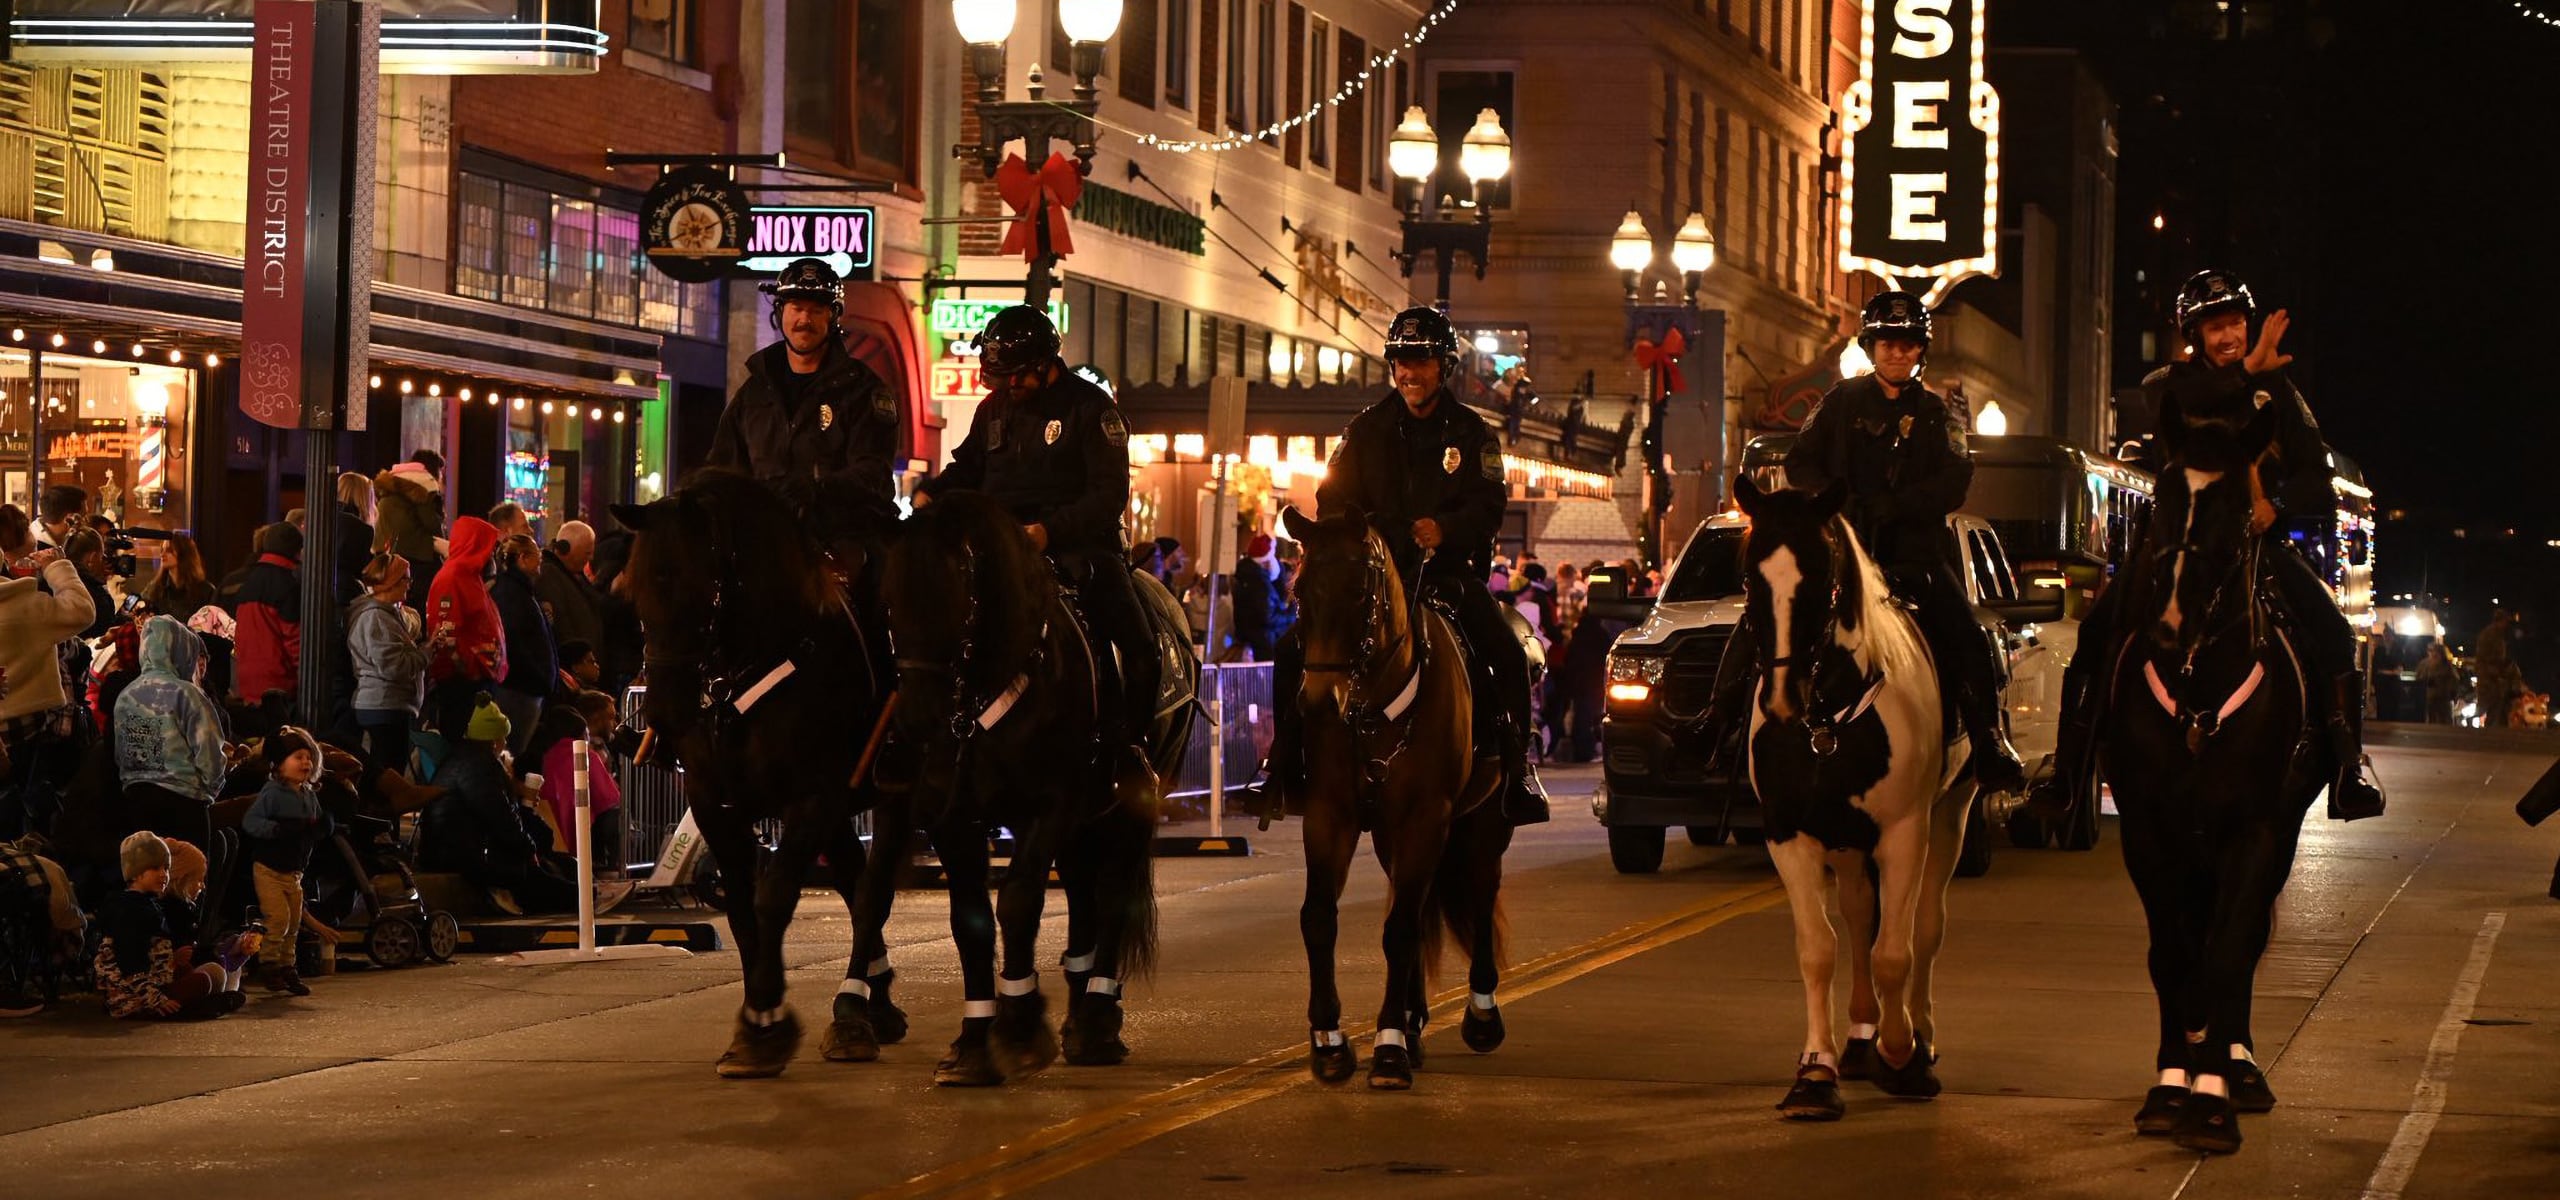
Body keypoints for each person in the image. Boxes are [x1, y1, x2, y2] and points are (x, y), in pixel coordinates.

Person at [2030, 269, 2382, 819]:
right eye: (2215, 327)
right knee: (2098, 633)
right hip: (2174, 551)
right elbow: (2175, 399)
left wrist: (2276, 505)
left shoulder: (2280, 392)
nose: (2229, 336)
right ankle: (2067, 770)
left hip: (2254, 549)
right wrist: (2248, 371)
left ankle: (2347, 767)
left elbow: (2316, 474)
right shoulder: (2172, 384)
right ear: (2195, 336)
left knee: (2334, 632)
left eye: (2236, 323)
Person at [1690, 291, 2027, 794]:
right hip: (1844, 547)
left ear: (1920, 352)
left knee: (1967, 630)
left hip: (1914, 552)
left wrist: (1900, 505)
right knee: (1762, 615)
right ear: (1872, 347)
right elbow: (1800, 461)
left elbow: (1956, 478)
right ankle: (1715, 721)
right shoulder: (1838, 403)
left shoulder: (1940, 414)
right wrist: (1833, 501)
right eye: (1888, 343)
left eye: (1908, 344)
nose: (1898, 353)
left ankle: (1988, 739)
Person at [1246, 306, 1551, 824]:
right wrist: (1364, 528)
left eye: (1421, 360)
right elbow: (1331, 494)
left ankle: (1518, 765)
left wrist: (1446, 529)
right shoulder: (1365, 429)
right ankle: (1283, 765)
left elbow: (1489, 503)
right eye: (1400, 361)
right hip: (1371, 574)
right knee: (1291, 646)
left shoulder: (1473, 432)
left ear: (1445, 366)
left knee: (1505, 648)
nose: (1408, 372)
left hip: (1446, 574)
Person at [914, 303, 1159, 787]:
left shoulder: (1093, 409)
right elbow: (969, 469)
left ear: (1046, 365)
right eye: (999, 377)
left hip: (1080, 550)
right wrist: (931, 494)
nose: (1007, 387)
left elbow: (1108, 496)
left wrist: (1049, 531)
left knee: (1141, 648)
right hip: (998, 550)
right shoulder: (993, 409)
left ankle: (1128, 747)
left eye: (1017, 377)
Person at [708, 257, 905, 549]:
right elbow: (722, 467)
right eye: (797, 308)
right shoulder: (754, 392)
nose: (805, 320)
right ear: (780, 312)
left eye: (816, 310)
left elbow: (872, 471)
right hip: (761, 538)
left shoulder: (864, 390)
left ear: (834, 316)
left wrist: (816, 490)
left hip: (842, 535)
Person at [421, 696, 577, 914]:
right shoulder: (481, 766)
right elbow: (500, 817)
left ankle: (584, 893)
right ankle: (586, 898)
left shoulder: (462, 758)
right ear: (495, 740)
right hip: (464, 853)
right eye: (504, 737)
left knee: (558, 863)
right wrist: (527, 848)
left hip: (451, 849)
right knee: (532, 875)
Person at [94, 831, 248, 1019]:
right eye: (155, 868)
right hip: (132, 996)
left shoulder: (148, 905)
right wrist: (156, 999)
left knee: (204, 974)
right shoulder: (128, 910)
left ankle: (200, 1003)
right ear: (135, 872)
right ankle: (187, 1009)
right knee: (203, 982)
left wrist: (174, 959)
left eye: (166, 868)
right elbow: (131, 964)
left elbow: (153, 955)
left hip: (153, 984)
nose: (164, 875)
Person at [112, 616, 229, 853]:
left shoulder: (126, 695)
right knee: (188, 874)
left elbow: (121, 752)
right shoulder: (187, 693)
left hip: (137, 798)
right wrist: (210, 789)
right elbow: (209, 750)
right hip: (184, 800)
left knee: (149, 874)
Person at [0, 548, 95, 839]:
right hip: (22, 730)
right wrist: (57, 566)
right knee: (15, 815)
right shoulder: (27, 605)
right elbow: (83, 609)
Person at [241, 726, 329, 996]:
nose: (305, 762)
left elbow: (316, 822)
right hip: (269, 868)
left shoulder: (309, 795)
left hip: (294, 871)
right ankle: (269, 964)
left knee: (293, 922)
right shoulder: (273, 793)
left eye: (308, 757)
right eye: (298, 757)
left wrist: (322, 828)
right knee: (278, 918)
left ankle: (288, 966)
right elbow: (251, 822)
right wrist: (276, 830)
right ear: (279, 764)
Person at [424, 516, 507, 736]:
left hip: (477, 677)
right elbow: (446, 632)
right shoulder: (451, 578)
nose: (492, 553)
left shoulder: (471, 576)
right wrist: (468, 670)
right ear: (475, 544)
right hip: (462, 681)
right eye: (488, 546)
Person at [348, 553, 429, 776]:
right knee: (388, 775)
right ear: (392, 581)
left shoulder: (386, 615)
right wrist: (427, 652)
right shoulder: (376, 617)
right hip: (384, 705)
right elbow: (394, 666)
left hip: (389, 706)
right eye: (406, 579)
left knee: (387, 770)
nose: (410, 585)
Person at [489, 534, 554, 756]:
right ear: (523, 558)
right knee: (512, 751)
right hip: (519, 689)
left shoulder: (521, 590)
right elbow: (514, 641)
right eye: (538, 554)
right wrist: (539, 677)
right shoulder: (510, 593)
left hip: (526, 687)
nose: (541, 560)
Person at [230, 522, 302, 704]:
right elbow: (295, 641)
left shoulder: (248, 582)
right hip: (280, 687)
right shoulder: (289, 585)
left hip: (247, 683)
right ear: (297, 551)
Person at [374, 451, 447, 614]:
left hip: (390, 563)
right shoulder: (422, 493)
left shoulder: (390, 493)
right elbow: (433, 525)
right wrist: (433, 499)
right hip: (420, 565)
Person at [536, 520, 604, 656]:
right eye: (587, 553)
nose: (591, 558)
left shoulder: (573, 575)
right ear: (565, 549)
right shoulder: (549, 575)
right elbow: (562, 624)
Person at [1230, 533, 1287, 663]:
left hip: (1255, 643)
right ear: (1266, 561)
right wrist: (1290, 614)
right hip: (1264, 647)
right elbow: (1268, 617)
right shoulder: (1260, 583)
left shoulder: (1247, 576)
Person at [60, 529, 122, 640]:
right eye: (102, 556)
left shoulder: (56, 581)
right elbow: (105, 632)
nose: (104, 561)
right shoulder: (94, 593)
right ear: (92, 558)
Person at [141, 532, 217, 620]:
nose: (162, 554)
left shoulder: (205, 591)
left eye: (169, 550)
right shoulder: (155, 588)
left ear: (184, 553)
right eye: (162, 550)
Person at [330, 472, 376, 605]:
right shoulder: (362, 530)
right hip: (346, 597)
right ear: (366, 498)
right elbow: (361, 569)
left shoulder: (320, 518)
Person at [2476, 609, 2520, 731]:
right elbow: (2486, 657)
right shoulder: (2489, 635)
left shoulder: (2498, 634)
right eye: (2505, 621)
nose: (2506, 625)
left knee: (2495, 708)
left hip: (2494, 676)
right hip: (2488, 677)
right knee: (2488, 706)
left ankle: (2490, 730)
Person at [2416, 641, 2459, 726]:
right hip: (2428, 700)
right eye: (2430, 651)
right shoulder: (2424, 664)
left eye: (2435, 651)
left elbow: (2454, 682)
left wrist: (2453, 695)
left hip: (2443, 700)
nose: (2432, 653)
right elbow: (2419, 679)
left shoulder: (2446, 666)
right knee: (2430, 722)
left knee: (2444, 723)